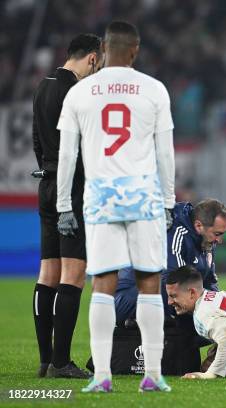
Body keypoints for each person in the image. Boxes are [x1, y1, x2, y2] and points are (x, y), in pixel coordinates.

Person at [56, 21, 175, 393]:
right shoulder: (154, 90)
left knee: (104, 284)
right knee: (149, 284)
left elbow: (66, 154)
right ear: (135, 50)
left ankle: (102, 374)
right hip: (142, 193)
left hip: (101, 194)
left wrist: (63, 204)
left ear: (103, 50)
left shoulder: (80, 91)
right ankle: (153, 375)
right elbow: (164, 152)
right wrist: (168, 200)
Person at [32, 33, 102, 379]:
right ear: (91, 58)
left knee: (48, 273)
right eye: (98, 64)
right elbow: (84, 147)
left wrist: (49, 171)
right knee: (73, 275)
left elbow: (35, 139)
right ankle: (61, 363)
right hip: (71, 190)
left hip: (46, 183)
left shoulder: (43, 86)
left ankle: (46, 360)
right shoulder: (77, 92)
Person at [114, 199, 226, 325]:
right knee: (189, 306)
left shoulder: (207, 241)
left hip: (163, 298)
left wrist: (220, 309)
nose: (220, 240)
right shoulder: (176, 233)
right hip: (127, 301)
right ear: (198, 226)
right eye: (217, 234)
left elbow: (209, 283)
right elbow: (174, 283)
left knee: (218, 318)